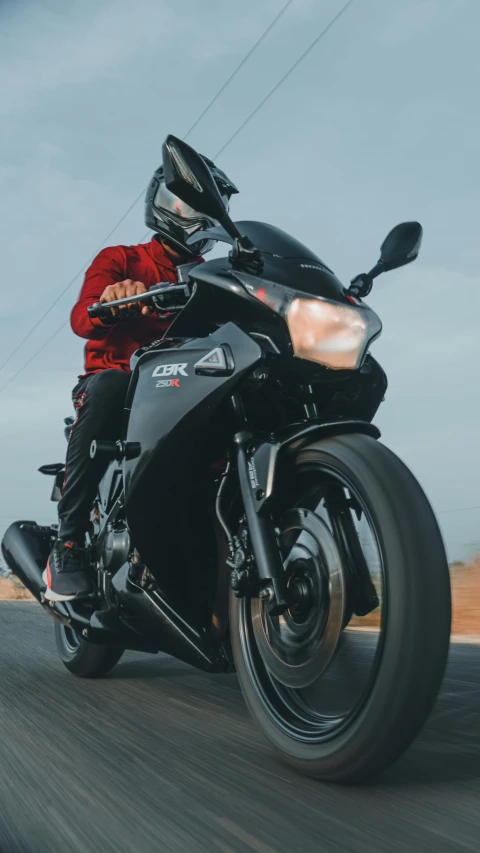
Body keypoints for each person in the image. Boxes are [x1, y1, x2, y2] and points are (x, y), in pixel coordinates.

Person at [45, 155, 238, 601]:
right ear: (163, 202)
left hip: (188, 392)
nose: (197, 218)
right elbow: (82, 317)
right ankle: (68, 543)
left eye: (207, 209)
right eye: (187, 206)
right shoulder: (122, 259)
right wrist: (117, 299)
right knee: (110, 385)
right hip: (124, 389)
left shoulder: (215, 276)